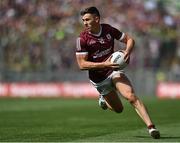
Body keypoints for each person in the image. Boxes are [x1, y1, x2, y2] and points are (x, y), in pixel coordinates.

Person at [75, 6, 160, 139]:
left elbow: (130, 39)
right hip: (99, 79)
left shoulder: (108, 29)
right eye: (83, 20)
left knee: (131, 96)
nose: (85, 23)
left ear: (96, 19)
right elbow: (81, 64)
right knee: (119, 109)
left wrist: (127, 51)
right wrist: (104, 64)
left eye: (87, 19)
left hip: (114, 70)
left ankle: (151, 127)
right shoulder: (82, 39)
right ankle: (103, 98)